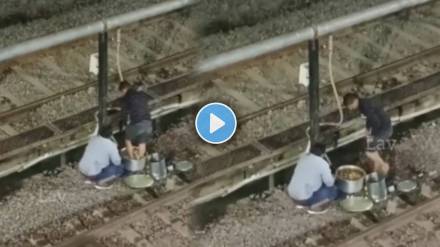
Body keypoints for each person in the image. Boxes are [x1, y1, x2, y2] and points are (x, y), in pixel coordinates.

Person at [343, 93, 392, 177]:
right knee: (371, 148)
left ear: (354, 101)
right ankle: (378, 166)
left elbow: (374, 121)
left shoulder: (365, 107)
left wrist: (371, 134)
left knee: (368, 152)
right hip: (386, 127)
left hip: (383, 130)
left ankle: (384, 165)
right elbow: (372, 118)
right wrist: (368, 130)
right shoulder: (365, 103)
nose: (351, 109)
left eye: (350, 107)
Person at [287, 143, 341, 213]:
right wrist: (334, 177)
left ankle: (299, 203)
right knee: (333, 191)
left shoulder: (302, 157)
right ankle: (312, 205)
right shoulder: (323, 164)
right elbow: (330, 183)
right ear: (323, 154)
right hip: (304, 199)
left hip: (291, 194)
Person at [79, 124, 124, 189]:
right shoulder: (111, 145)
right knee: (120, 168)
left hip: (82, 169)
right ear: (110, 135)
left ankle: (88, 178)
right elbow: (117, 162)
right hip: (93, 174)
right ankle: (99, 181)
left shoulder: (93, 138)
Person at [119, 81, 153, 160]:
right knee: (142, 142)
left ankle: (132, 159)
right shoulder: (141, 93)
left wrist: (124, 124)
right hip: (148, 123)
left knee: (127, 139)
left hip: (138, 123)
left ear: (124, 90)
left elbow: (124, 113)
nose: (122, 94)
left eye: (122, 92)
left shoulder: (126, 97)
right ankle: (140, 159)